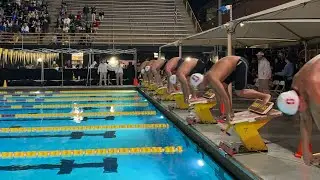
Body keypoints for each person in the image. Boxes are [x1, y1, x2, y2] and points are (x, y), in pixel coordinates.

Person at [277, 54, 320, 166]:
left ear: (300, 98)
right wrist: (305, 150)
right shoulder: (296, 82)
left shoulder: (314, 86)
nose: (301, 111)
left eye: (299, 107)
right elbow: (305, 120)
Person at [205, 56, 271, 122]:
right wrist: (223, 113)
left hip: (240, 63)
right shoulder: (208, 77)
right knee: (223, 86)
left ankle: (265, 96)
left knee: (239, 92)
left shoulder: (213, 78)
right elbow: (218, 97)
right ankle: (230, 112)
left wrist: (227, 116)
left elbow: (225, 98)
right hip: (232, 67)